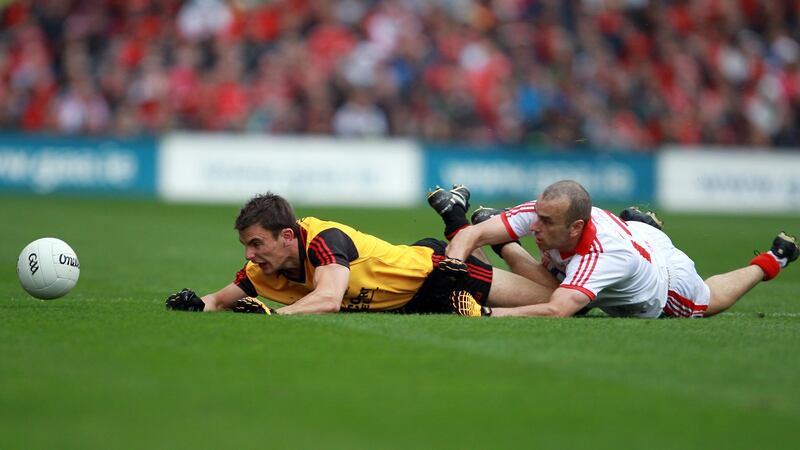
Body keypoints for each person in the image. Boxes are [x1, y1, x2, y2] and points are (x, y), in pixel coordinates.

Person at [431, 180, 798, 318]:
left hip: (667, 284)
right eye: (536, 218)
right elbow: (475, 235)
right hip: (633, 237)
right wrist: (454, 260)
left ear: (576, 226)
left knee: (709, 299)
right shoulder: (546, 211)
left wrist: (490, 314)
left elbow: (557, 309)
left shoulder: (602, 257)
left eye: (546, 224)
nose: (535, 228)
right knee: (543, 265)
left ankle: (772, 260)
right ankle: (643, 224)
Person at [165, 192, 553, 315]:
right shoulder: (265, 269)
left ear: (287, 235)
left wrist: (272, 315)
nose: (250, 256)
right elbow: (218, 299)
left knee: (556, 298)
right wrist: (194, 304)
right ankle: (460, 221)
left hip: (435, 273)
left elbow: (330, 299)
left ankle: (495, 237)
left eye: (256, 244)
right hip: (404, 287)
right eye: (246, 247)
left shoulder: (324, 240)